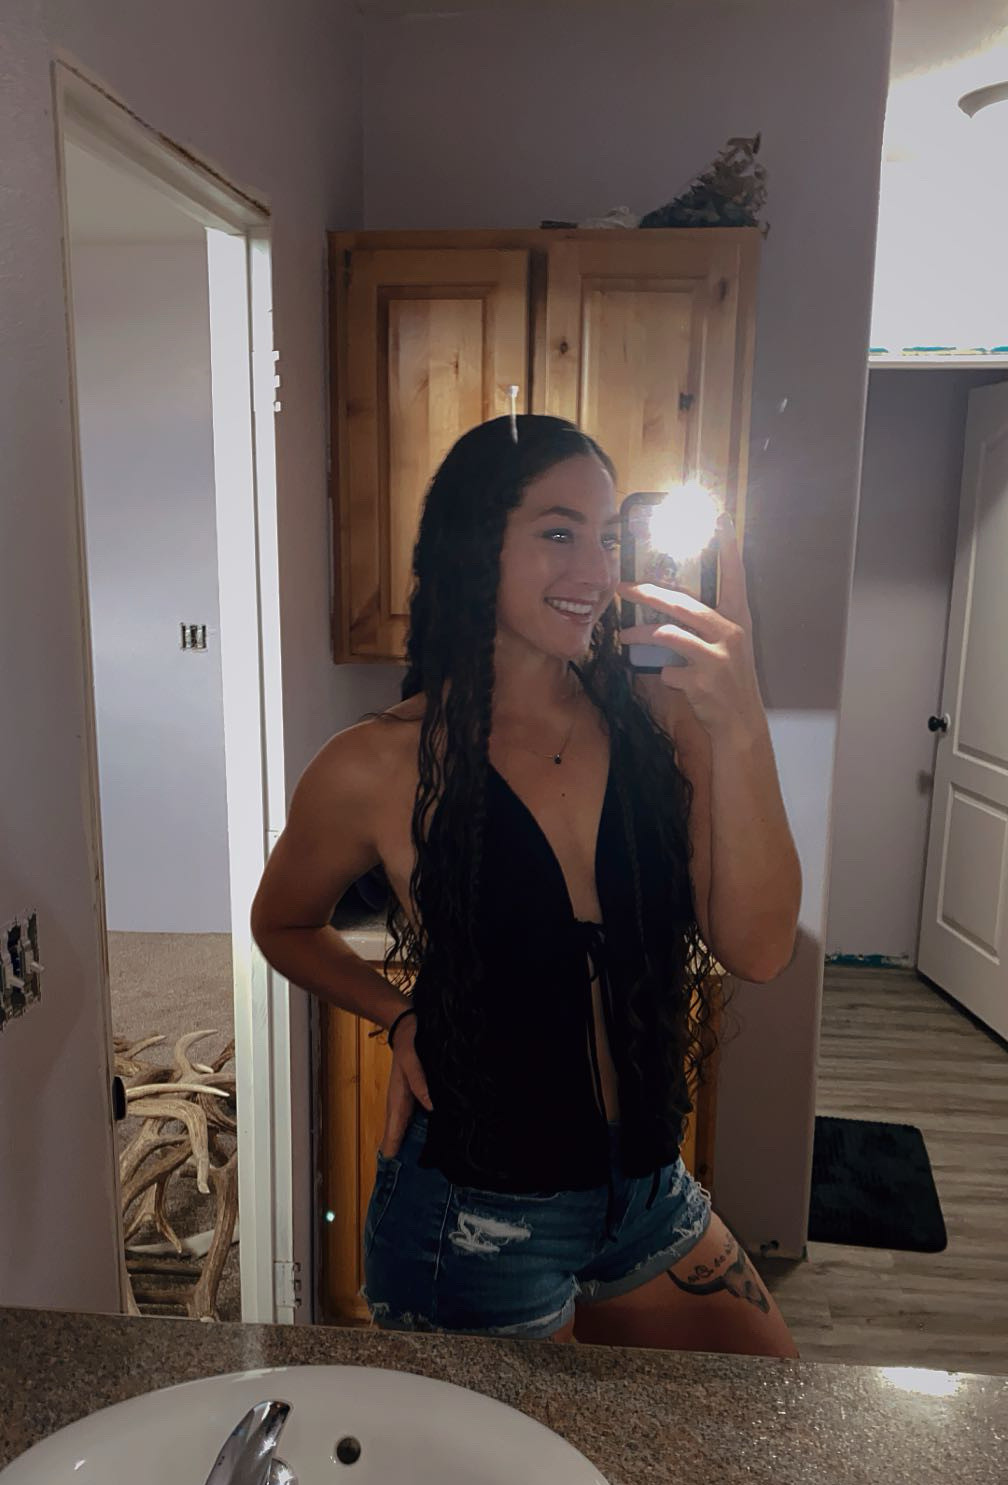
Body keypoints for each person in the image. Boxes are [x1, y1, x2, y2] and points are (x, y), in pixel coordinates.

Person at [251, 416, 802, 1356]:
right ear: (474, 546)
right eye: (558, 532)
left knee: (772, 1412)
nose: (595, 570)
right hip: (474, 1221)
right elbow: (284, 923)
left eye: (608, 538)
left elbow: (758, 948)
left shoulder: (657, 719)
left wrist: (739, 713)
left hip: (647, 1193)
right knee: (532, 1461)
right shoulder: (376, 764)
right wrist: (398, 1015)